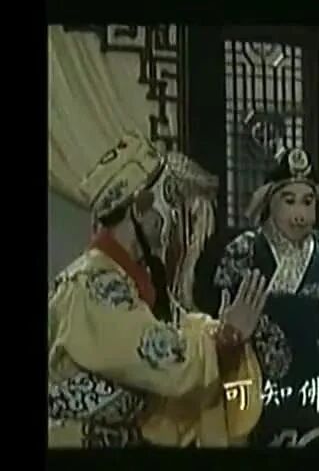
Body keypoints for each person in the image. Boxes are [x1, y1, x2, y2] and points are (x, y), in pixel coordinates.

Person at [48, 131, 267, 448]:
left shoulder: (127, 278)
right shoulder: (92, 285)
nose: (173, 217)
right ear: (139, 209)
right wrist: (223, 338)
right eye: (167, 202)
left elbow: (178, 327)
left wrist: (218, 330)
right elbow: (160, 356)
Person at [213, 148, 319, 444]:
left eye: (308, 202)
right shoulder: (244, 251)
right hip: (262, 402)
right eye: (289, 201)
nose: (300, 215)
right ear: (269, 201)